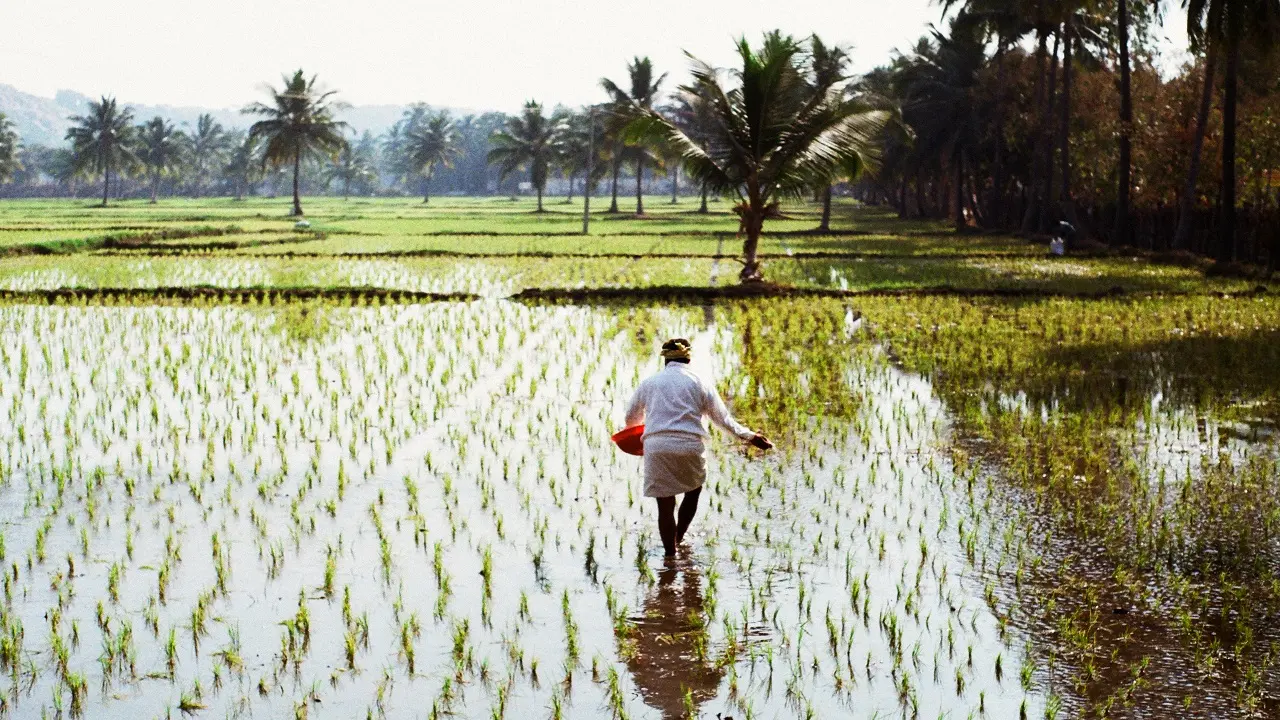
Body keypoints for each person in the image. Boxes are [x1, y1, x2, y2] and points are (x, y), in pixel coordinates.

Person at [623, 338, 772, 557]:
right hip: (689, 445)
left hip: (657, 446)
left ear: (665, 360)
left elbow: (631, 418)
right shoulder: (701, 382)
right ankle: (679, 538)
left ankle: (670, 555)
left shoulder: (649, 383)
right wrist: (750, 436)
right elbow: (723, 419)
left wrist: (638, 431)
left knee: (664, 505)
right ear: (688, 359)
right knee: (693, 492)